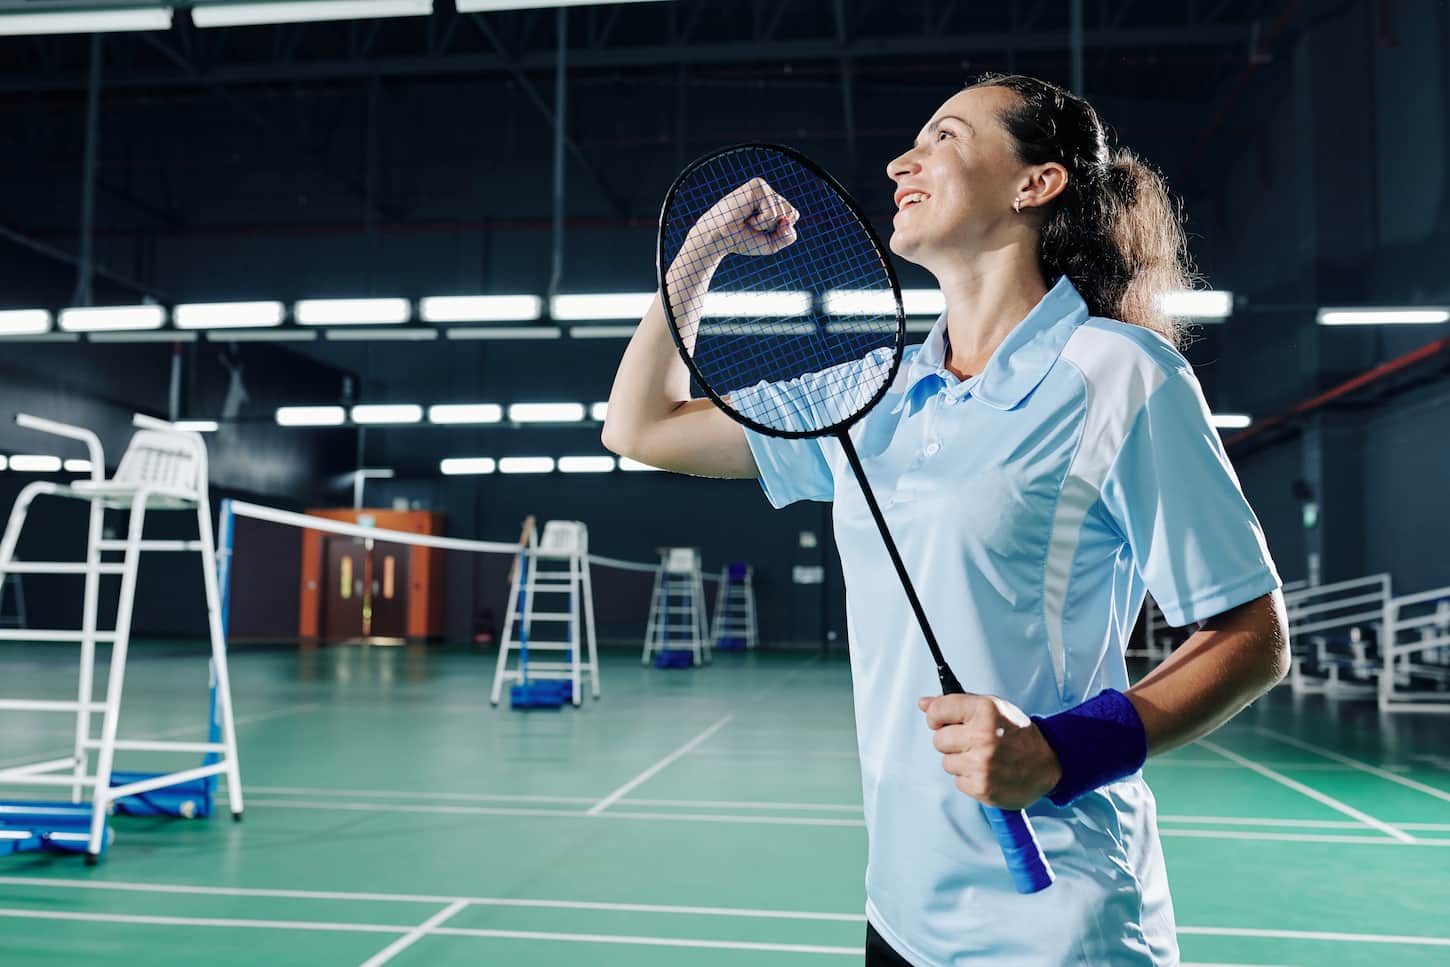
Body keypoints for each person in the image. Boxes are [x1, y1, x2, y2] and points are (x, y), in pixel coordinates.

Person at [602, 73, 1289, 966]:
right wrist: (701, 253)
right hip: (900, 911)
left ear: (1033, 184)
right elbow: (639, 426)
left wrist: (1057, 751)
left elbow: (1253, 637)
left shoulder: (1119, 374)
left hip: (1057, 928)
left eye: (945, 138)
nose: (901, 162)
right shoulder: (868, 394)